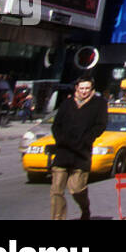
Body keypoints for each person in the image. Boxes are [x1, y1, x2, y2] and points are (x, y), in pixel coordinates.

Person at [49, 77, 106, 220]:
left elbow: (100, 125)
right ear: (76, 88)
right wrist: (60, 140)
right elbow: (56, 125)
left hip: (81, 153)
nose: (84, 92)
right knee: (56, 190)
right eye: (81, 88)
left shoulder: (99, 104)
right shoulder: (67, 104)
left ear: (91, 89)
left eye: (87, 88)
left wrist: (87, 139)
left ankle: (85, 208)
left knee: (76, 189)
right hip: (63, 151)